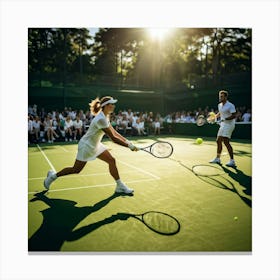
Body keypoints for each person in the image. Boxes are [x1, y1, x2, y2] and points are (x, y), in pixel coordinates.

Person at [43, 96, 140, 194]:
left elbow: (115, 132)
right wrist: (129, 146)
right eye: (112, 104)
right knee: (76, 169)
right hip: (87, 146)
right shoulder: (101, 119)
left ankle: (120, 186)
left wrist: (128, 142)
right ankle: (52, 176)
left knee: (111, 160)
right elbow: (113, 138)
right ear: (106, 106)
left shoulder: (105, 116)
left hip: (96, 144)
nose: (114, 106)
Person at [209, 90, 237, 167]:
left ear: (225, 97)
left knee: (226, 142)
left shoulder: (230, 105)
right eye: (219, 96)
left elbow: (234, 115)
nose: (220, 98)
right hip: (223, 125)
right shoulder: (219, 105)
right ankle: (218, 158)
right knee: (218, 141)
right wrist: (214, 117)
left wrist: (225, 119)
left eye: (221, 96)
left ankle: (232, 161)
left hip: (229, 125)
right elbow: (220, 113)